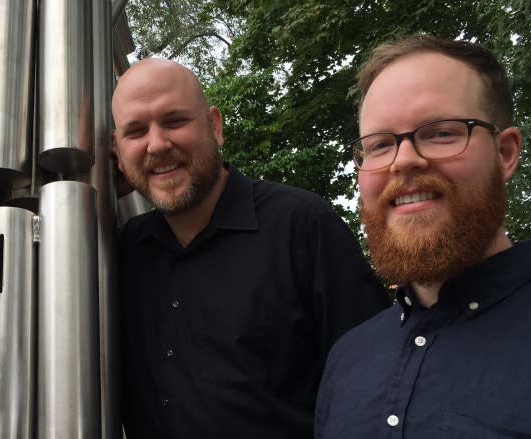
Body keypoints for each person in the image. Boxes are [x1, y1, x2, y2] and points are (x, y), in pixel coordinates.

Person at [111, 57, 390, 439]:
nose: (157, 144)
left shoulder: (304, 226)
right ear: (116, 150)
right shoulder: (120, 250)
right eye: (136, 132)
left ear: (215, 126)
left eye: (175, 121)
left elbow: (377, 390)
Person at [315, 34, 531, 438]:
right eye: (379, 144)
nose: (404, 160)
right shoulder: (347, 358)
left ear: (505, 154)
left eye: (442, 132)